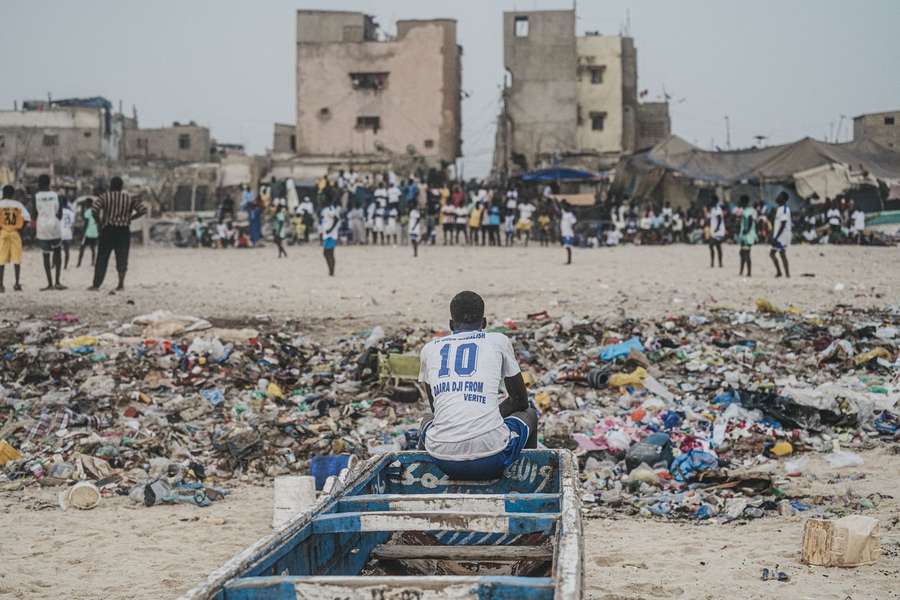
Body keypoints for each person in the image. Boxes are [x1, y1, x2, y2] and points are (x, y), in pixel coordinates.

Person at [417, 291, 538, 480]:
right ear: (484, 323)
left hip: (443, 460)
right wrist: (487, 416)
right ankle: (527, 481)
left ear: (451, 325)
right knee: (529, 413)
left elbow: (436, 410)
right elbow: (520, 401)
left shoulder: (429, 349)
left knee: (428, 419)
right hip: (492, 457)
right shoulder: (498, 341)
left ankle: (423, 482)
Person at [90, 176, 146, 291]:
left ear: (111, 186)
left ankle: (96, 284)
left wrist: (99, 223)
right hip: (123, 230)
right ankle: (120, 284)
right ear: (121, 187)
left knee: (102, 257)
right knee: (122, 257)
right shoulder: (128, 198)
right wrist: (131, 218)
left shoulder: (105, 197)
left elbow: (94, 210)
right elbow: (142, 210)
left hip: (108, 230)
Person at [34, 174, 66, 290]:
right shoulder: (56, 195)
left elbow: (34, 214)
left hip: (42, 228)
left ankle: (50, 284)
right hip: (55, 226)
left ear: (39, 183)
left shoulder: (36, 196)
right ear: (49, 183)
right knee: (57, 253)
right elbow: (60, 214)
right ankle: (58, 281)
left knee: (46, 255)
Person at [0, 185, 30, 292]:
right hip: (15, 233)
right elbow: (27, 218)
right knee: (17, 259)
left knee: (1, 259)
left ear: (3, 193)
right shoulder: (18, 205)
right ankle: (17, 284)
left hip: (3, 233)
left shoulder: (0, 204)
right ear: (13, 194)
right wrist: (21, 228)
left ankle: (1, 285)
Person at [770, 191, 791, 278]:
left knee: (781, 253)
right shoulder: (779, 208)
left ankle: (786, 274)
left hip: (783, 236)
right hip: (778, 235)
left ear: (783, 199)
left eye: (779, 196)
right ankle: (780, 272)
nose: (777, 197)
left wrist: (776, 237)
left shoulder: (785, 209)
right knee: (773, 253)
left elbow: (783, 225)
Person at [737, 195, 757, 277]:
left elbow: (750, 220)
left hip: (747, 235)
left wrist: (747, 230)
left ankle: (748, 272)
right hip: (746, 235)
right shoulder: (748, 210)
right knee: (742, 253)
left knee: (746, 253)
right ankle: (742, 271)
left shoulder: (748, 211)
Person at [77, 198, 99, 267]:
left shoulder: (87, 211)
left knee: (82, 248)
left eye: (86, 203)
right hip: (95, 233)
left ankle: (79, 263)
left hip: (88, 233)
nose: (85, 204)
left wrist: (83, 232)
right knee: (93, 248)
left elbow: (86, 223)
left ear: (88, 203)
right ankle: (93, 262)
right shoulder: (96, 211)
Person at [320, 197, 340, 276]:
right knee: (326, 253)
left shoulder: (330, 209)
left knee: (329, 253)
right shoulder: (325, 210)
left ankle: (332, 271)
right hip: (326, 235)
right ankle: (330, 270)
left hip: (331, 235)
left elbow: (336, 219)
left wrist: (331, 229)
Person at [707, 196, 725, 268]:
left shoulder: (717, 209)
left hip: (718, 231)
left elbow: (719, 219)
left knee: (712, 245)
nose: (710, 201)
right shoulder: (713, 209)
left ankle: (714, 263)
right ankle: (717, 263)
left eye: (711, 200)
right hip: (714, 230)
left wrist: (717, 228)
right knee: (717, 247)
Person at [59, 198, 76, 269]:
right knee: (67, 251)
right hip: (68, 233)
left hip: (59, 233)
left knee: (57, 251)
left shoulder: (58, 212)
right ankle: (65, 266)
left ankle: (55, 264)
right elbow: (72, 224)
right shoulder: (71, 213)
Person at [560, 201, 577, 265]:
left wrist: (572, 228)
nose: (563, 208)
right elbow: (559, 208)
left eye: (564, 207)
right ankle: (569, 260)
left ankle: (569, 261)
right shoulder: (564, 213)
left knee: (568, 247)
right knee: (566, 247)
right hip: (564, 233)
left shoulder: (570, 215)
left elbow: (574, 222)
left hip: (568, 233)